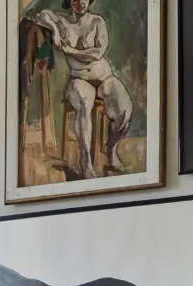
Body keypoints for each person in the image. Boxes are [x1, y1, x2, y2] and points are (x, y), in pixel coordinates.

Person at [35, 0, 134, 178]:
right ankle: (86, 161)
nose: (80, 3)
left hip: (104, 76)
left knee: (124, 109)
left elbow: (97, 53)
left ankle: (111, 147)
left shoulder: (97, 22)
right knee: (83, 101)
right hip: (79, 79)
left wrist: (70, 50)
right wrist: (55, 30)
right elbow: (40, 15)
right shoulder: (61, 21)